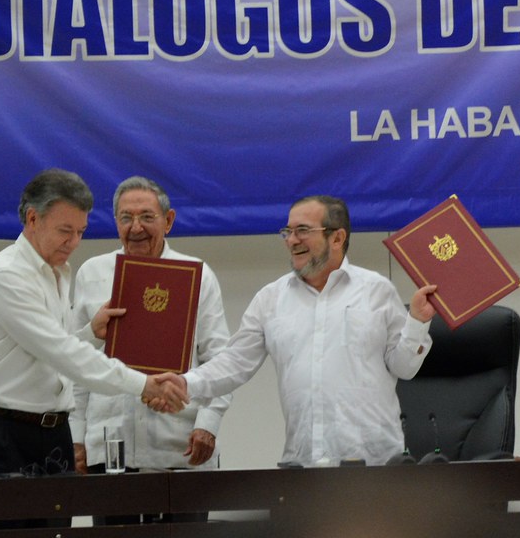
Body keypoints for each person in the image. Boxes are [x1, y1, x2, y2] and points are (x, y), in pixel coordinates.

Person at [0, 168, 187, 531]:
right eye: (66, 230)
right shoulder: (7, 275)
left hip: (50, 435)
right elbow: (61, 353)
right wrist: (144, 384)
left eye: (80, 231)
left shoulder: (59, 272)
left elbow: (51, 358)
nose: (74, 242)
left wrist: (92, 333)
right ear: (33, 218)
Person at [156, 195, 436, 467]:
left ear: (337, 238)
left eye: (302, 231)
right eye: (287, 232)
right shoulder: (271, 299)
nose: (291, 240)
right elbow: (233, 363)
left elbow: (405, 367)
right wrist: (185, 383)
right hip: (303, 465)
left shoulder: (377, 290)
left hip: (376, 463)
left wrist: (418, 321)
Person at [71, 176, 232, 524]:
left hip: (181, 445)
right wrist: (76, 435)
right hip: (111, 446)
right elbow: (74, 363)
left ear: (168, 220)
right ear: (115, 223)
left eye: (147, 216)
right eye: (126, 218)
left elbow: (221, 360)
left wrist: (209, 422)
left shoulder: (198, 275)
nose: (136, 227)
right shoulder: (91, 273)